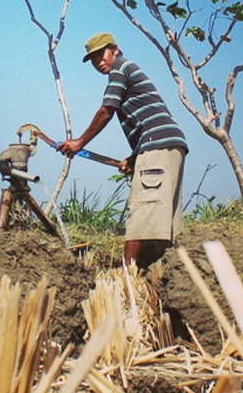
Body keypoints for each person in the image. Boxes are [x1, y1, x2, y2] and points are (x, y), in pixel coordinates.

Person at [58, 32, 188, 269]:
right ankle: (162, 269)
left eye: (101, 55)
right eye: (94, 60)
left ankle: (127, 275)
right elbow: (147, 118)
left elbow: (106, 111)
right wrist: (135, 157)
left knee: (141, 208)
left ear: (114, 50)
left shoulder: (120, 69)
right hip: (169, 143)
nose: (99, 63)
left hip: (157, 144)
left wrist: (79, 142)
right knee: (163, 213)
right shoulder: (129, 70)